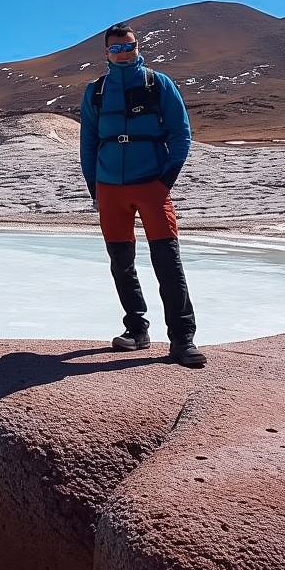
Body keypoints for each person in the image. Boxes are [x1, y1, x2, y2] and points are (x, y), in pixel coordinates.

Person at [79, 22, 206, 367]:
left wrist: (164, 181)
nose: (123, 53)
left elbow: (181, 133)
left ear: (138, 47)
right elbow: (88, 141)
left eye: (129, 47)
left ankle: (182, 339)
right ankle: (136, 331)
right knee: (121, 262)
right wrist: (95, 186)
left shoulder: (157, 83)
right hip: (109, 189)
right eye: (116, 49)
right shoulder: (96, 91)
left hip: (151, 185)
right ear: (106, 52)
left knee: (167, 261)